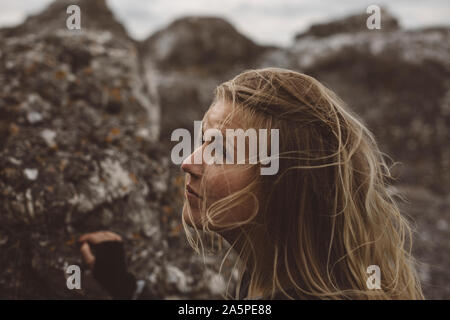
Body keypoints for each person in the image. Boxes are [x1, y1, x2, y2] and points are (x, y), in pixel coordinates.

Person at [78, 67, 424, 300]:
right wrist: (126, 286)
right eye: (202, 140)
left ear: (288, 185)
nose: (188, 162)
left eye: (221, 150)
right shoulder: (271, 275)